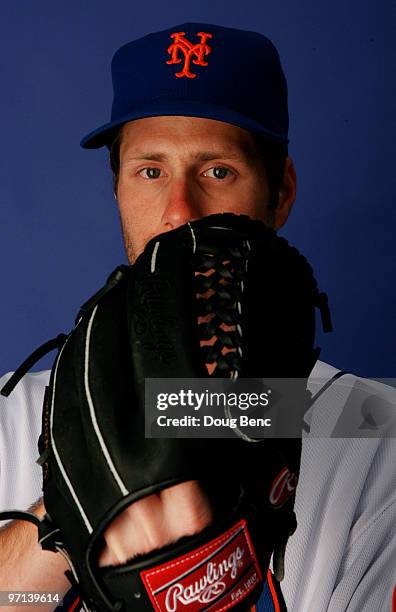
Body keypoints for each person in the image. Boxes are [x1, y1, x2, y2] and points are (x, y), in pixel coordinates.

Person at [0, 22, 395, 612]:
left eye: (217, 171)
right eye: (150, 171)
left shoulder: (378, 434)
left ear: (280, 192)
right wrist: (67, 509)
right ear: (117, 190)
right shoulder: (12, 415)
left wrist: (220, 414)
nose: (180, 212)